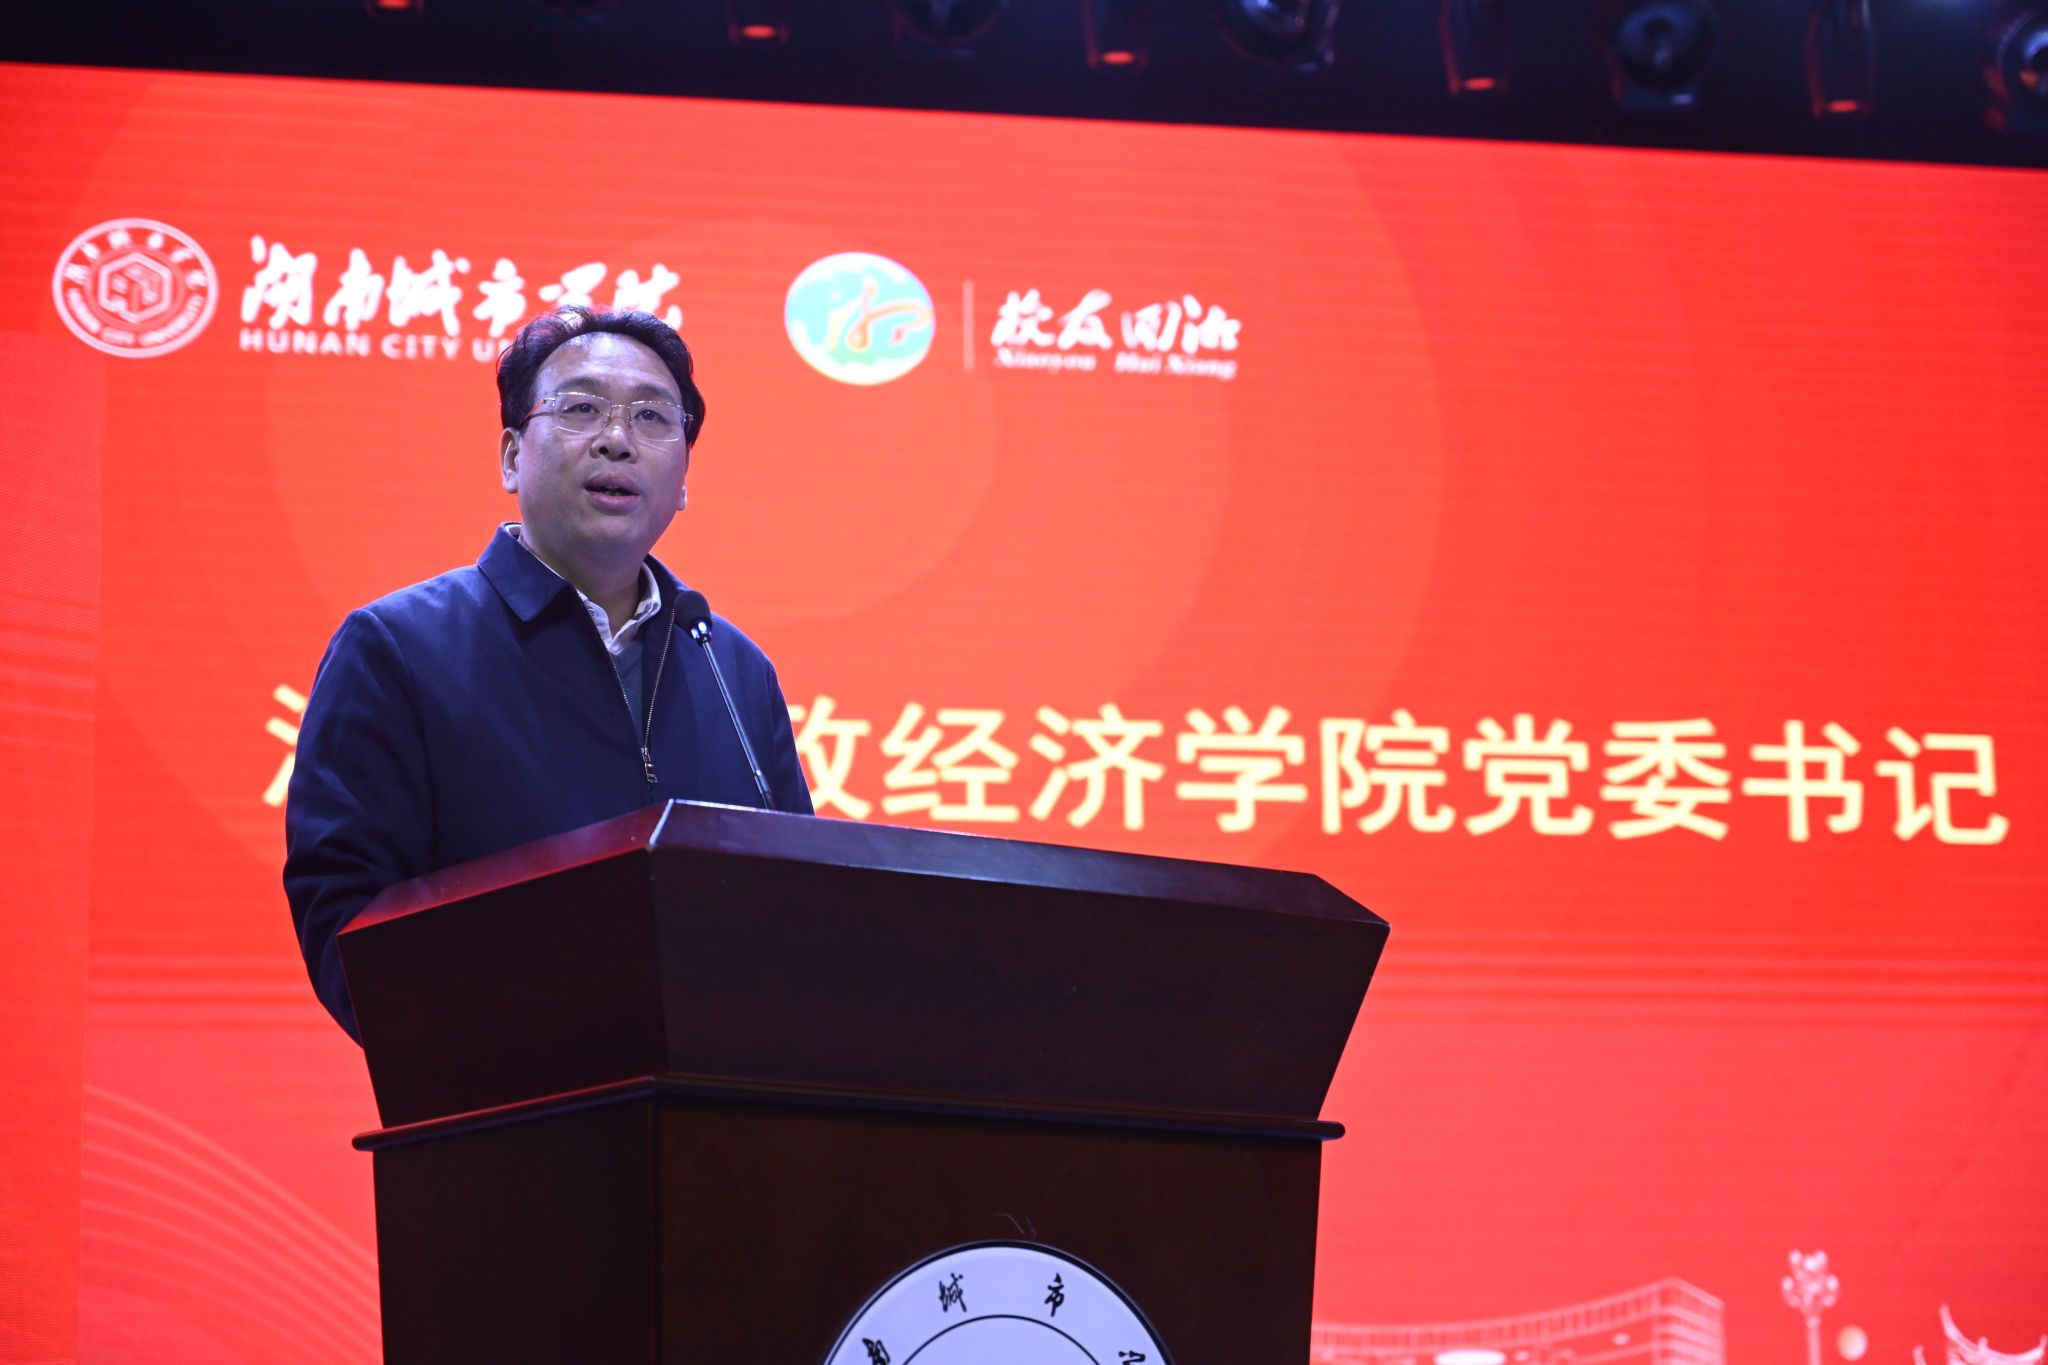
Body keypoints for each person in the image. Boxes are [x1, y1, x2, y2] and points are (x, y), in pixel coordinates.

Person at [284, 306, 812, 1042]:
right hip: (506, 1095)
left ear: (685, 479)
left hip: (716, 1102)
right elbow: (347, 916)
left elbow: (799, 907)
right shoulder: (398, 648)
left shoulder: (734, 669)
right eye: (581, 408)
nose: (617, 439)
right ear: (511, 456)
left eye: (652, 417)